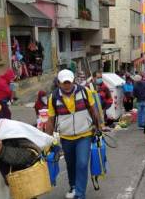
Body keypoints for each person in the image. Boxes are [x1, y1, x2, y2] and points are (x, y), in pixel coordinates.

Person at [46, 69, 100, 199]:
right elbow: (51, 119)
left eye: (69, 82)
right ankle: (73, 186)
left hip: (84, 135)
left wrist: (98, 126)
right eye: (64, 83)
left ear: (73, 81)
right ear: (59, 83)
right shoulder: (53, 97)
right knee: (71, 164)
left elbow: (94, 110)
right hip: (66, 137)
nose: (67, 85)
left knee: (82, 163)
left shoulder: (84, 92)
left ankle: (80, 195)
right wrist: (48, 139)